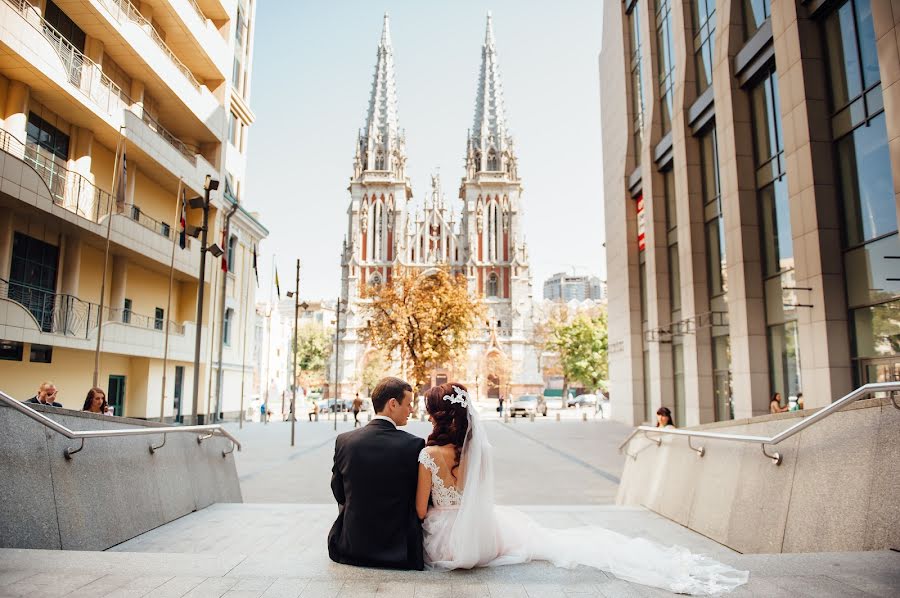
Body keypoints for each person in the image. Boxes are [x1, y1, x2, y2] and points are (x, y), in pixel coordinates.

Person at [414, 381, 749, 595]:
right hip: (481, 539)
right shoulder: (480, 451)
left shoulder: (429, 455)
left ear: (435, 417)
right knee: (527, 533)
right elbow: (480, 496)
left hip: (446, 546)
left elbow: (419, 511)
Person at [328, 376, 425, 570]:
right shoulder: (414, 445)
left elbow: (338, 492)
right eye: (408, 404)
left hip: (349, 548)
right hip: (399, 552)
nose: (411, 410)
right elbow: (419, 501)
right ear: (392, 404)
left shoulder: (344, 441)